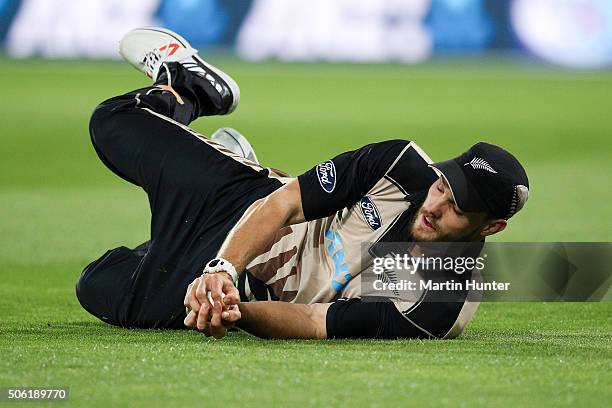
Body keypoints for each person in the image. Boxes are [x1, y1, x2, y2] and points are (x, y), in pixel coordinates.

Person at [76, 27, 530, 340]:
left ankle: (177, 244)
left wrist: (231, 311)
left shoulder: (440, 303)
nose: (435, 205)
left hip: (254, 287)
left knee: (96, 285)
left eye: (458, 208)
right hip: (245, 201)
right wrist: (221, 269)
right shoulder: (400, 164)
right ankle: (189, 88)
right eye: (441, 187)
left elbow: (316, 321)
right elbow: (289, 202)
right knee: (114, 123)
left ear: (491, 227)